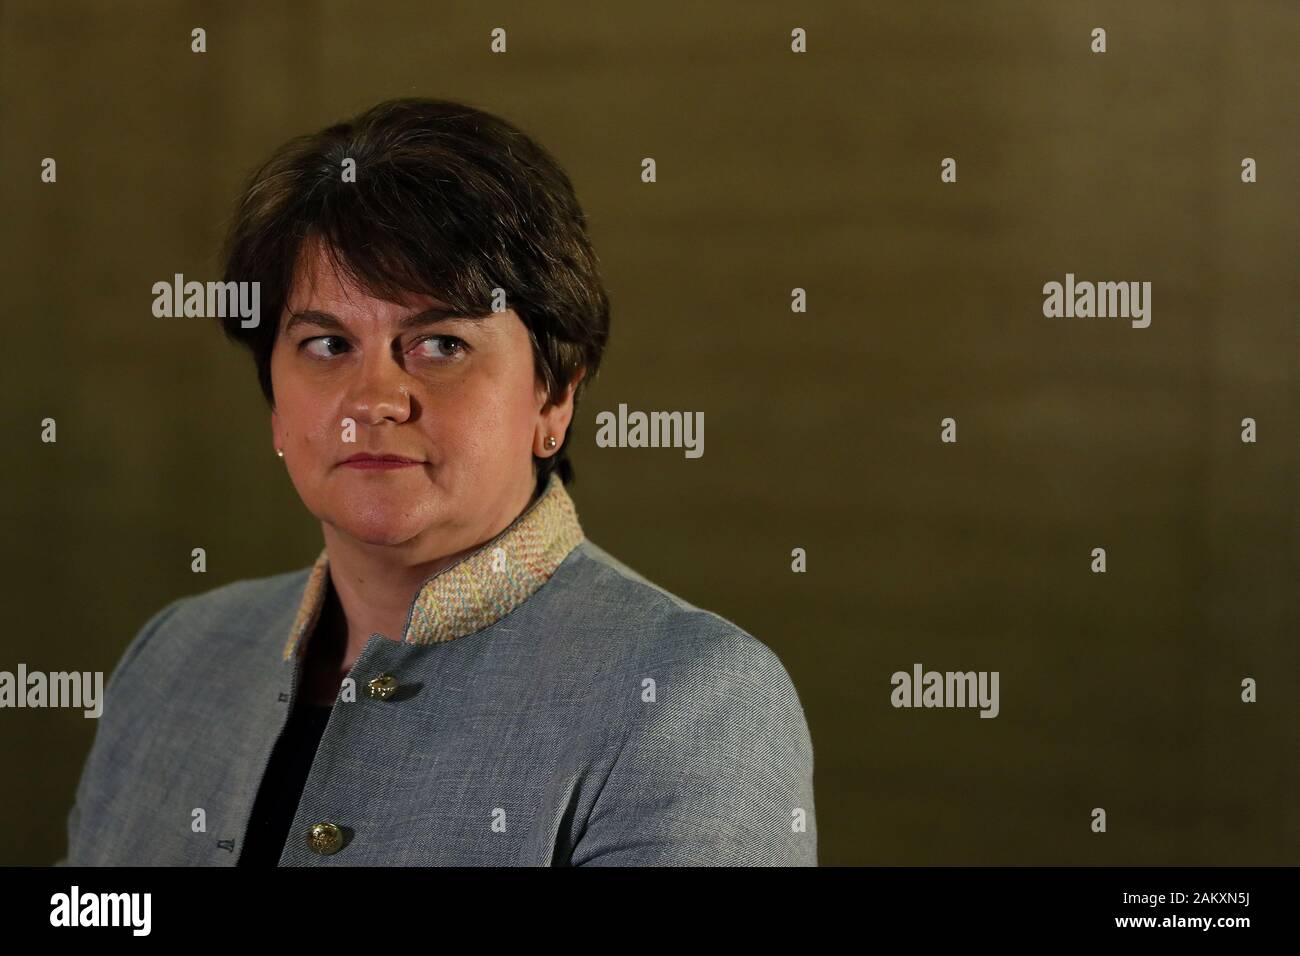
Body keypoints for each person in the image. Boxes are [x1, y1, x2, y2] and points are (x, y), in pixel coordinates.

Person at [60, 98, 816, 866]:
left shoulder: (691, 701)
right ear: (277, 407)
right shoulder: (175, 658)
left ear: (554, 396)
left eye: (441, 343)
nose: (375, 400)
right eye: (326, 343)